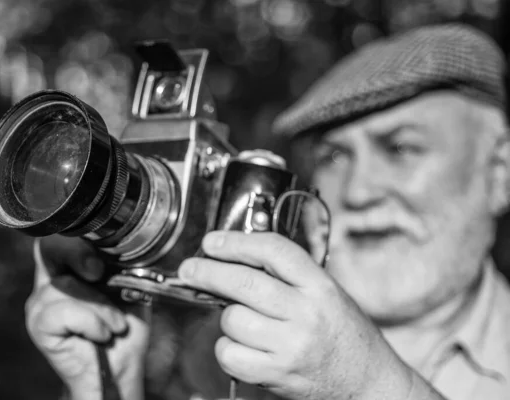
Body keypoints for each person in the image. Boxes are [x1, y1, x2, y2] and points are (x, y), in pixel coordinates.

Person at [25, 23, 510, 400]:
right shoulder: (222, 352)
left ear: (500, 172)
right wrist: (109, 381)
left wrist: (371, 386)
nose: (359, 192)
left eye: (402, 147)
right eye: (334, 157)